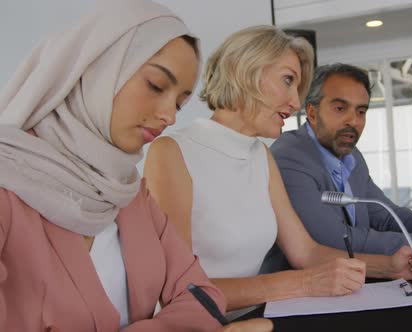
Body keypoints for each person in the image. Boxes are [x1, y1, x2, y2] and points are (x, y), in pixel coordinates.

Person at [0, 1, 271, 331]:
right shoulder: (7, 190)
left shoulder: (128, 193)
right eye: (156, 85)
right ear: (93, 68)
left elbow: (201, 293)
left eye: (180, 102)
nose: (170, 117)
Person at [144, 26, 412, 318]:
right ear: (243, 71)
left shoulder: (261, 155)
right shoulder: (171, 152)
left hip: (261, 318)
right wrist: (303, 283)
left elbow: (306, 252)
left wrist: (388, 266)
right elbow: (182, 291)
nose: (296, 103)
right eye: (287, 80)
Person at [270, 63, 412, 257]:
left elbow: (385, 216)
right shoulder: (290, 156)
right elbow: (335, 239)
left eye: (361, 111)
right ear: (312, 113)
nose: (354, 121)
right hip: (304, 284)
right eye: (340, 108)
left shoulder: (352, 156)